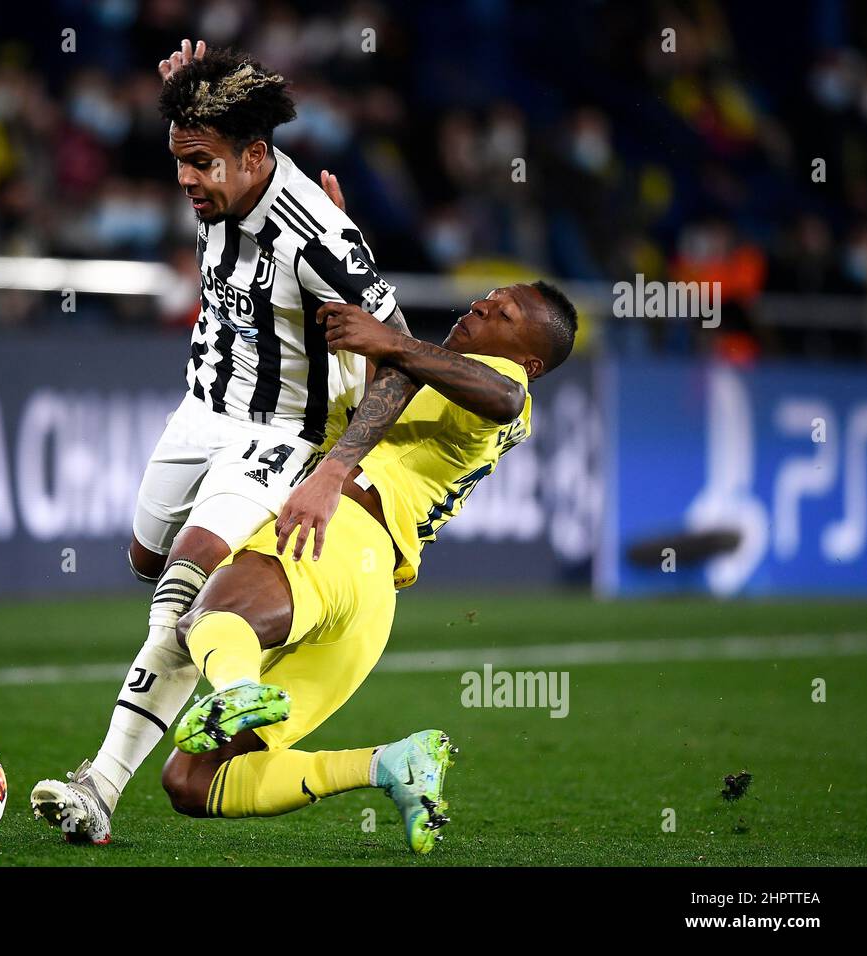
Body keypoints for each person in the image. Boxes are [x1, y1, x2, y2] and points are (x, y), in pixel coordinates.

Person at [30, 40, 416, 844]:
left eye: (201, 164)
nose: (185, 182)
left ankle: (102, 782)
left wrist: (333, 469)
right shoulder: (220, 168)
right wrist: (185, 93)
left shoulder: (322, 239)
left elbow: (402, 363)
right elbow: (202, 142)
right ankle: (214, 657)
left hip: (279, 432)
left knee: (181, 593)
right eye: (179, 163)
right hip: (200, 410)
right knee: (147, 561)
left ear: (253, 157)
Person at [160, 280, 579, 853]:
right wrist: (332, 249)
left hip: (334, 535)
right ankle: (389, 765)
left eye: (503, 313)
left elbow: (504, 396)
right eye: (487, 296)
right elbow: (373, 349)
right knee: (191, 781)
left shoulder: (500, 385)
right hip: (371, 600)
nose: (481, 306)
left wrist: (336, 463)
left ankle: (235, 687)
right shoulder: (428, 372)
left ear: (529, 359)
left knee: (205, 619)